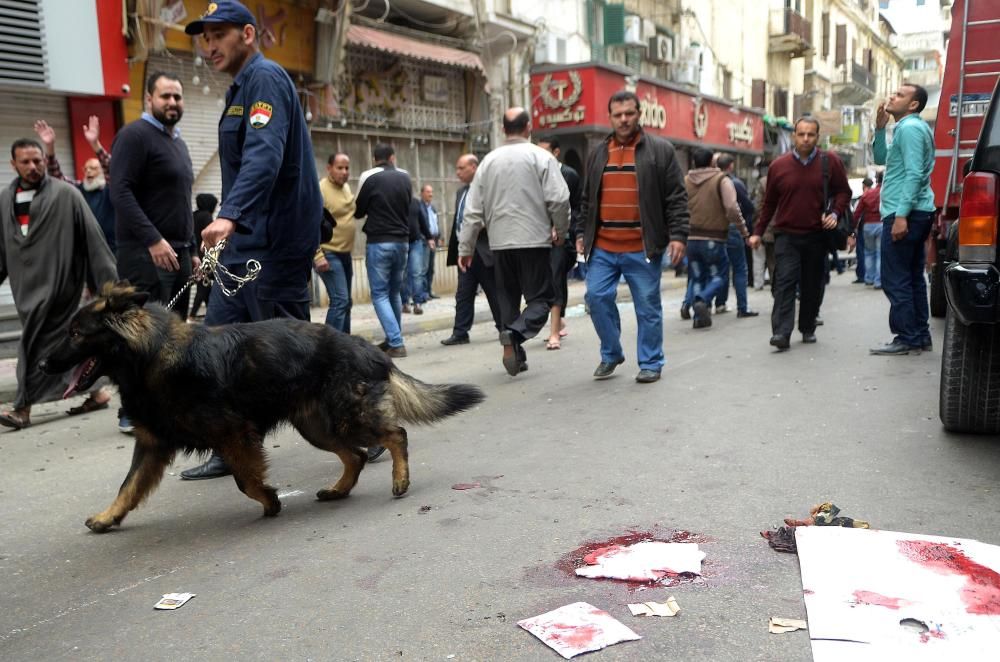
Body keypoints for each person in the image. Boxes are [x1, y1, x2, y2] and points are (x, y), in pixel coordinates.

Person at [180, 0, 323, 479]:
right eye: (205, 37)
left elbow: (265, 155)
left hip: (275, 243)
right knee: (219, 347)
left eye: (218, 34)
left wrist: (229, 216)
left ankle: (358, 426)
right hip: (243, 246)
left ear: (247, 33)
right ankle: (231, 447)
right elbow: (243, 168)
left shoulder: (265, 80)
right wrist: (224, 239)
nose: (209, 44)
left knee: (294, 355)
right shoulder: (238, 91)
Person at [0, 138, 117, 429]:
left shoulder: (66, 195)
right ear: (12, 164)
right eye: (25, 162)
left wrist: (111, 289)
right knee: (67, 347)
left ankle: (22, 407)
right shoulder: (4, 199)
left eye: (37, 160)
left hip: (61, 287)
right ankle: (98, 391)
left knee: (32, 344)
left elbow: (94, 241)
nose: (33, 167)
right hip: (25, 290)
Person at [577, 90, 688, 383]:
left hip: (643, 246)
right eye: (618, 114)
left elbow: (677, 197)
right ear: (610, 117)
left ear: (639, 114)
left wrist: (678, 236)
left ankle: (651, 361)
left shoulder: (660, 151)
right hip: (602, 245)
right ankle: (611, 353)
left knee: (647, 305)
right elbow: (587, 200)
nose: (624, 119)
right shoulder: (599, 153)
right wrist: (580, 233)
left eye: (629, 113)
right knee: (596, 296)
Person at [110, 70, 196, 434]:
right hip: (145, 253)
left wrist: (190, 249)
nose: (172, 103)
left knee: (173, 334)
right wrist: (153, 240)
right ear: (149, 99)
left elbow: (181, 201)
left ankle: (167, 404)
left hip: (178, 253)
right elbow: (121, 192)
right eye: (165, 97)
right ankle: (132, 409)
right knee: (143, 336)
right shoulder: (134, 136)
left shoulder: (178, 142)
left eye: (177, 97)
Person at [458, 107, 569, 376]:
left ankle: (514, 352)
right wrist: (561, 231)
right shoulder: (541, 157)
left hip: (499, 244)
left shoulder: (488, 162)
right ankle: (514, 335)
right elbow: (559, 199)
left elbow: (472, 211)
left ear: (503, 129)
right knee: (542, 300)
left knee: (508, 301)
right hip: (534, 241)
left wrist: (466, 246)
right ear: (528, 127)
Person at [749, 117, 851, 351]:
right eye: (801, 134)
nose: (806, 139)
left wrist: (834, 214)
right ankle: (781, 333)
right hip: (786, 235)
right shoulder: (778, 166)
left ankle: (807, 327)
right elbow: (769, 204)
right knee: (783, 283)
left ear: (817, 137)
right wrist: (757, 232)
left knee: (812, 285)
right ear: (794, 135)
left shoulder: (830, 162)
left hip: (817, 235)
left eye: (811, 134)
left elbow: (843, 192)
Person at [870, 84, 936, 355]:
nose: (891, 97)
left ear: (913, 105)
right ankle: (920, 335)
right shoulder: (906, 129)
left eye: (899, 95)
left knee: (895, 279)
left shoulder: (909, 129)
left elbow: (914, 174)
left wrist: (900, 216)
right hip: (915, 211)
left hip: (906, 212)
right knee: (912, 277)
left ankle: (907, 337)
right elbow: (881, 158)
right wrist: (878, 129)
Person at [354, 142, 412, 358]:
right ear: (392, 157)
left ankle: (396, 342)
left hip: (379, 242)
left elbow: (358, 212)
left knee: (379, 294)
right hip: (402, 242)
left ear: (374, 159)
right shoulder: (405, 177)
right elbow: (407, 205)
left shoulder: (369, 177)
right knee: (394, 292)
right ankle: (392, 339)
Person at [683, 147, 750, 329]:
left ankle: (699, 318)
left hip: (691, 238)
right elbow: (731, 208)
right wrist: (743, 230)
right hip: (713, 237)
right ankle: (703, 299)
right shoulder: (721, 180)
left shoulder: (686, 180)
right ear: (712, 161)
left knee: (697, 277)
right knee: (719, 275)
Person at [442, 154, 502, 346]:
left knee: (493, 292)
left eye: (461, 168)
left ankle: (505, 329)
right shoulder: (461, 193)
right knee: (463, 293)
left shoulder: (487, 189)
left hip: (484, 250)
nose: (457, 172)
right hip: (465, 252)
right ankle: (460, 332)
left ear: (474, 167)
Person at [34, 116, 116, 252]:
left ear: (101, 171)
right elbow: (56, 177)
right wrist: (50, 147)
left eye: (94, 168)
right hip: (84, 249)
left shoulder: (110, 189)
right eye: (86, 168)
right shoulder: (78, 189)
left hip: (111, 249)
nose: (89, 171)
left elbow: (112, 169)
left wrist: (95, 144)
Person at [537, 136, 582, 350]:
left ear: (555, 152)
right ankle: (559, 321)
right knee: (542, 283)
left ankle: (554, 331)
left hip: (561, 239)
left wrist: (567, 231)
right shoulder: (534, 174)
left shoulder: (569, 175)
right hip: (537, 238)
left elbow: (575, 207)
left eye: (544, 150)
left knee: (555, 280)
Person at [314, 152, 356, 332]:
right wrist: (317, 255)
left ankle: (345, 347)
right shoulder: (320, 189)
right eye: (340, 168)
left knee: (346, 302)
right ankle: (328, 350)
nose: (344, 172)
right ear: (329, 168)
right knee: (340, 301)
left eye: (347, 168)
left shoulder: (345, 188)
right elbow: (310, 221)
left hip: (345, 253)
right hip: (328, 253)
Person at [714, 153, 758, 318]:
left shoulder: (712, 182)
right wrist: (744, 229)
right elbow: (745, 207)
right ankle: (742, 307)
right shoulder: (734, 183)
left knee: (721, 268)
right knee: (739, 268)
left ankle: (719, 303)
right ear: (731, 165)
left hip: (715, 230)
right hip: (732, 228)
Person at [188, 193, 218, 320]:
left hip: (193, 256)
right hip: (204, 258)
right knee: (203, 287)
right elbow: (210, 240)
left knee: (206, 288)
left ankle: (212, 316)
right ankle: (192, 316)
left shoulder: (193, 215)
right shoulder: (206, 217)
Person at [400, 193, 430, 315]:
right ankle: (404, 303)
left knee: (417, 273)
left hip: (416, 242)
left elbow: (422, 221)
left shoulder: (416, 202)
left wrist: (429, 237)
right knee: (403, 275)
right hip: (401, 242)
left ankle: (417, 303)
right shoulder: (395, 201)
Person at [852, 173, 883, 289]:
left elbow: (857, 213)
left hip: (867, 226)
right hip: (881, 224)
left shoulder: (867, 195)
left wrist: (852, 229)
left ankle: (869, 278)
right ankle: (878, 281)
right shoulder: (885, 193)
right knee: (880, 254)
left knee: (869, 252)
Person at [420, 184, 440, 300]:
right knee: (424, 267)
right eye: (428, 192)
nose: (430, 194)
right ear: (422, 193)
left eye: (431, 192)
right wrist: (426, 238)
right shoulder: (420, 207)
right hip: (425, 241)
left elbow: (435, 222)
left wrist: (439, 235)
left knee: (431, 267)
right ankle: (423, 293)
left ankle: (429, 290)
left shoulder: (432, 208)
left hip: (434, 239)